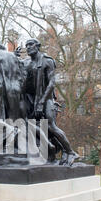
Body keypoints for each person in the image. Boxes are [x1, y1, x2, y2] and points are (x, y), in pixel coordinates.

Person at [23, 38, 79, 166]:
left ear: (38, 46)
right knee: (28, 124)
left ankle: (70, 152)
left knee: (50, 126)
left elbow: (51, 83)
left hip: (46, 98)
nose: (28, 47)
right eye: (26, 46)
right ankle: (50, 151)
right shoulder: (25, 62)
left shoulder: (47, 61)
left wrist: (42, 102)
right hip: (30, 99)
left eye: (31, 45)